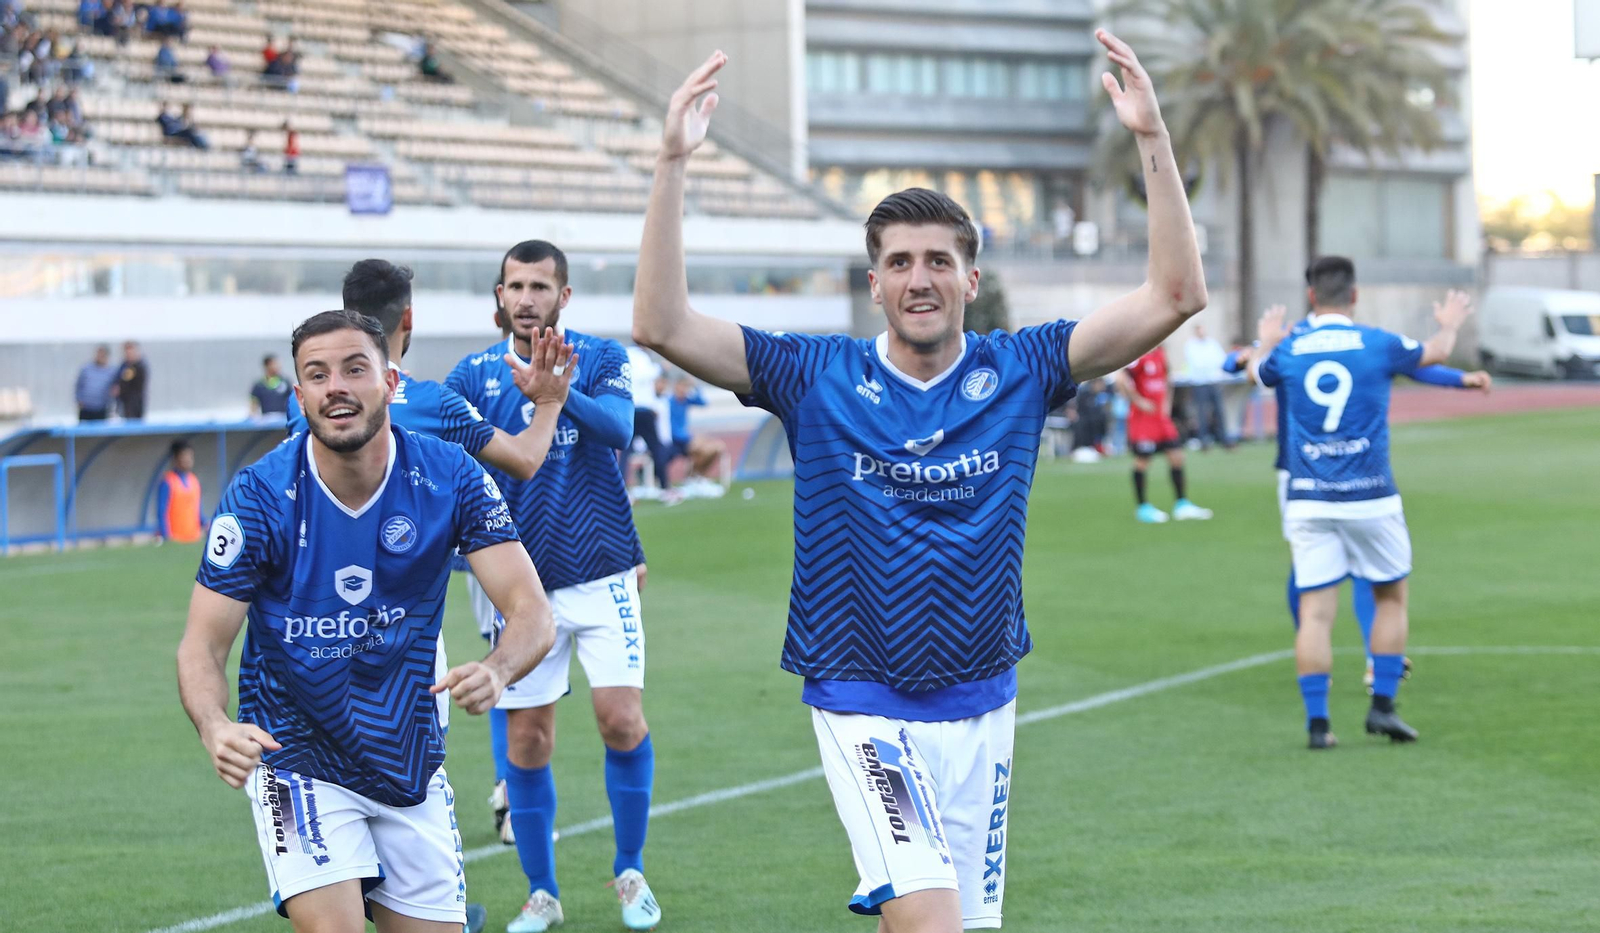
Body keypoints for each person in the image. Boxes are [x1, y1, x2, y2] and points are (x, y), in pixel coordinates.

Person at [632, 34, 1206, 932]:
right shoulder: (811, 374)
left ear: (972, 277)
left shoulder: (1025, 366)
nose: (920, 278)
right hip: (861, 697)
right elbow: (662, 322)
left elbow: (1175, 294)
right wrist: (671, 162)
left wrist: (1152, 138)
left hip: (985, 702)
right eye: (900, 262)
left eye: (939, 260)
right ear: (874, 285)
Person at [176, 309, 557, 933]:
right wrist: (214, 725)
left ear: (390, 380)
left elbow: (532, 611)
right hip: (295, 757)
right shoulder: (261, 495)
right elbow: (202, 644)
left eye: (355, 369)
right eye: (317, 375)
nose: (337, 388)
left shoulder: (450, 475)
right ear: (299, 395)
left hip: (408, 763)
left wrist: (498, 668)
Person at [445, 240, 660, 933]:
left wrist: (558, 396)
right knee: (528, 742)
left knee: (621, 718)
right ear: (499, 295)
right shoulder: (471, 376)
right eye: (516, 285)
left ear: (564, 296)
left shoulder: (598, 358)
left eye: (542, 285)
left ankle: (630, 870)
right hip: (516, 591)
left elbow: (622, 429)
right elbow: (452, 475)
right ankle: (542, 891)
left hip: (600, 569)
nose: (528, 297)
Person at [1233, 266, 1487, 746]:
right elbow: (1432, 353)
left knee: (1314, 613)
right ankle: (1382, 708)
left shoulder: (1291, 347)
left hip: (1307, 496)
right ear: (1355, 294)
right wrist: (1450, 321)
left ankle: (1318, 726)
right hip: (1370, 496)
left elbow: (1254, 372)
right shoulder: (1376, 341)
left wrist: (1266, 339)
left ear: (1310, 295)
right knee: (1390, 597)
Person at [288, 259, 574, 487]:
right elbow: (524, 460)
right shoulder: (436, 403)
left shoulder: (303, 401)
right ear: (408, 317)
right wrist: (549, 401)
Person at [1117, 344, 1212, 523]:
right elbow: (1120, 379)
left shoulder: (1161, 355)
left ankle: (1182, 504)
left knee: (1177, 456)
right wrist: (1138, 401)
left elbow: (1168, 379)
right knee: (1142, 461)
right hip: (1143, 420)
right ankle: (1142, 507)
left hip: (1161, 419)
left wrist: (1167, 403)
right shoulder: (1139, 356)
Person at [665, 375, 725, 494]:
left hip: (686, 437)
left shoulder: (686, 401)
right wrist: (690, 438)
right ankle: (694, 477)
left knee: (716, 448)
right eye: (681, 386)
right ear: (676, 387)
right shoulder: (669, 402)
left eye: (686, 387)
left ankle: (697, 476)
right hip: (676, 440)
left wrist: (695, 386)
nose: (683, 390)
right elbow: (671, 428)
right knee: (700, 449)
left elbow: (703, 402)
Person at [1182, 323, 1229, 447]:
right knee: (1201, 412)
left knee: (1219, 410)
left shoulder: (1212, 343)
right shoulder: (1190, 345)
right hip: (1199, 382)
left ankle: (1223, 438)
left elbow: (1220, 359)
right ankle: (1203, 440)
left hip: (1213, 381)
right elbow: (1196, 363)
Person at [155, 439, 204, 543]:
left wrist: (207, 524)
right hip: (176, 539)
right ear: (175, 458)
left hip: (194, 538)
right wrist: (167, 536)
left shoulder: (194, 480)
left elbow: (198, 510)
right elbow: (161, 512)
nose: (188, 460)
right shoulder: (168, 481)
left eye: (190, 456)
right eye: (184, 456)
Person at [74, 344, 118, 421]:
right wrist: (79, 399)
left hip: (101, 409)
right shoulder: (86, 369)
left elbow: (115, 388)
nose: (99, 356)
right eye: (98, 353)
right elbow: (78, 385)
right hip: (86, 408)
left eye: (102, 354)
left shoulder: (112, 371)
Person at [117, 339, 148, 420]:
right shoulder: (124, 365)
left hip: (134, 404)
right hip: (124, 403)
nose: (128, 354)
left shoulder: (139, 366)